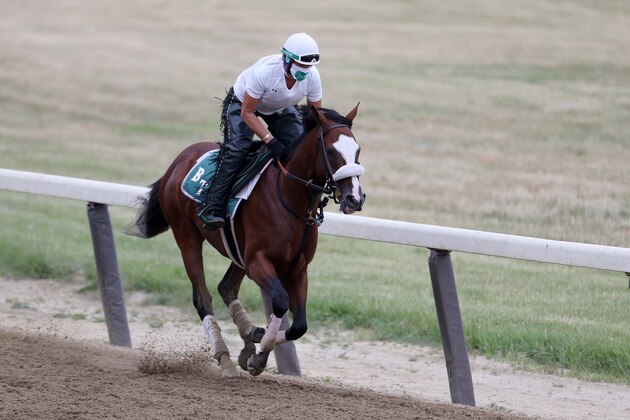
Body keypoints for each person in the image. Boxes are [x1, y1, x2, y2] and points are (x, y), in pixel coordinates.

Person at [198, 32, 323, 229]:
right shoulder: (265, 72)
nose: (305, 71)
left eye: (308, 66)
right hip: (243, 104)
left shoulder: (313, 77)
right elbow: (248, 113)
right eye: (301, 66)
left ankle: (308, 207)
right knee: (238, 148)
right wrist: (269, 139)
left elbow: (315, 116)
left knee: (300, 149)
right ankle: (212, 206)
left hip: (280, 107)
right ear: (286, 59)